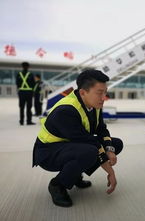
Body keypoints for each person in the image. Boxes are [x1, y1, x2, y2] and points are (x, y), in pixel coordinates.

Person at [32, 69, 123, 207]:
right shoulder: (66, 110)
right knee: (90, 151)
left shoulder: (94, 104)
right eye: (100, 93)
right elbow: (91, 143)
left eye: (105, 92)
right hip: (48, 152)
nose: (104, 97)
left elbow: (101, 130)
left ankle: (73, 175)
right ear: (82, 92)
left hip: (70, 146)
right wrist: (111, 172)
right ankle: (57, 185)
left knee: (116, 144)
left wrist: (110, 149)